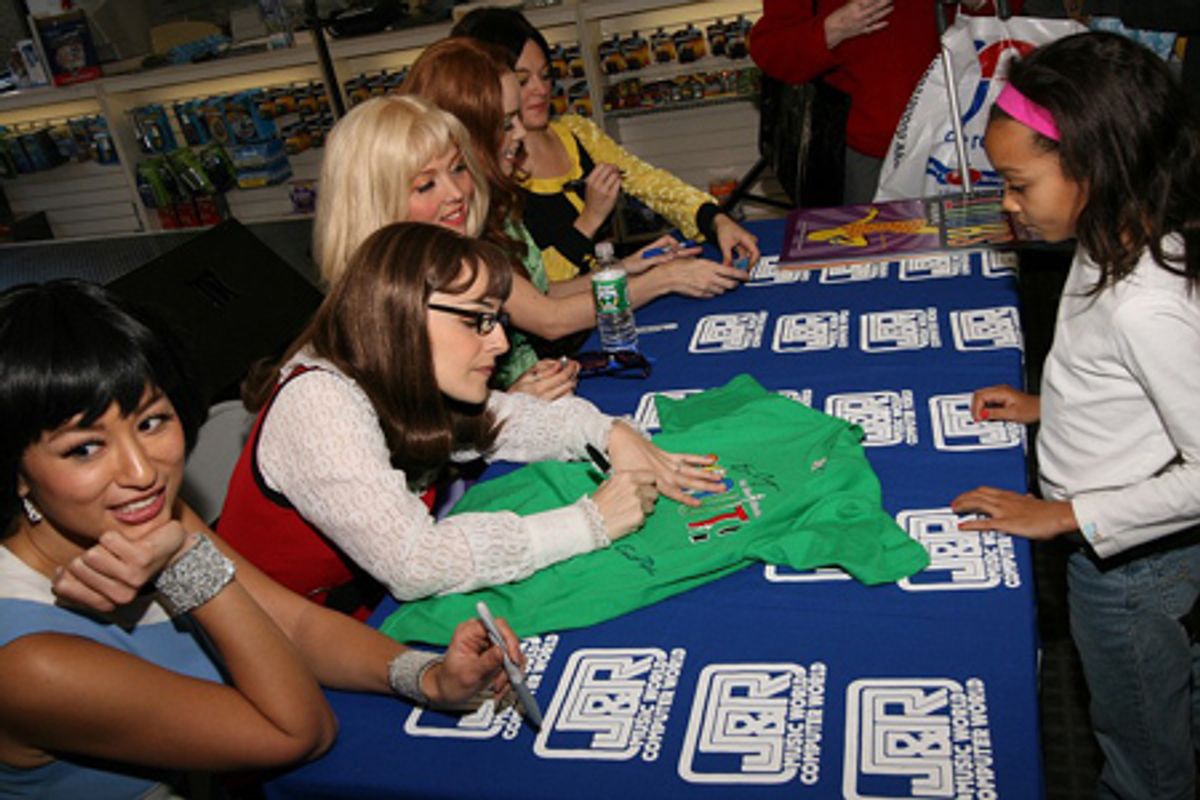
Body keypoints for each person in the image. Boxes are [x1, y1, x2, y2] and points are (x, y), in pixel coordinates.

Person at [0, 279, 522, 797]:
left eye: (152, 421)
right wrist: (187, 560)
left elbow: (294, 625)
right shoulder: (26, 662)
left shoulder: (148, 516)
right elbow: (299, 733)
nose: (141, 471)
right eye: (84, 449)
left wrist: (427, 676)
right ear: (16, 469)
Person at [217, 222, 725, 620]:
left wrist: (611, 433)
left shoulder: (395, 364)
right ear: (403, 315)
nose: (501, 343)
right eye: (475, 320)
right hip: (293, 637)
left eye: (496, 319)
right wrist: (588, 521)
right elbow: (415, 562)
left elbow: (512, 419)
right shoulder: (320, 404)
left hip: (358, 611)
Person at [948, 32, 1200, 799]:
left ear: (1094, 166)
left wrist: (1064, 515)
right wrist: (1044, 405)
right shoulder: (1104, 236)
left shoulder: (1147, 304)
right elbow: (1124, 390)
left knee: (1141, 751)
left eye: (1019, 184)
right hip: (1119, 547)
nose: (1009, 204)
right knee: (1163, 701)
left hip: (1130, 567)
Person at [401, 37, 748, 386]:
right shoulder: (455, 221)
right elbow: (549, 318)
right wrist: (664, 279)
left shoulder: (492, 204)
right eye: (507, 122)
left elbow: (542, 293)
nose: (521, 132)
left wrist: (623, 270)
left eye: (545, 75)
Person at [451, 7, 760, 282]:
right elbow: (536, 294)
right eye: (522, 81)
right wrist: (590, 218)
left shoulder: (576, 133)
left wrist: (716, 220)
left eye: (546, 76)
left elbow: (652, 183)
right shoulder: (478, 177)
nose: (540, 90)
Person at [312, 90, 579, 399]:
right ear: (375, 205)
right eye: (425, 185)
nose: (456, 193)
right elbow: (417, 437)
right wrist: (513, 408)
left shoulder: (450, 272)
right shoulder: (370, 322)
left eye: (458, 168)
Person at [749, 0, 993, 203]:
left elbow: (1014, 17)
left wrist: (980, 3)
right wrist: (835, 28)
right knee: (876, 251)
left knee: (976, 247)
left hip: (964, 136)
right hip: (864, 150)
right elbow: (771, 49)